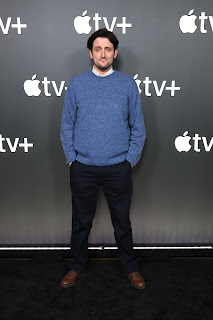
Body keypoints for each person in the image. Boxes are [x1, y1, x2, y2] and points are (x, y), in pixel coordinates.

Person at [60, 28, 146, 289]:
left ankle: (130, 268)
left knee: (122, 222)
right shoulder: (76, 84)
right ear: (91, 53)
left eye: (108, 49)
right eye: (98, 49)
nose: (103, 53)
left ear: (115, 53)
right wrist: (72, 159)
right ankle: (76, 265)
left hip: (117, 168)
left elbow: (138, 128)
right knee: (80, 222)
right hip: (82, 167)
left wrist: (129, 160)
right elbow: (66, 126)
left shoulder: (127, 84)